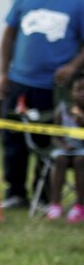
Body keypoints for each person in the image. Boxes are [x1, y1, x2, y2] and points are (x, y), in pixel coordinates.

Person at [0, 0, 84, 211]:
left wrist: (71, 67)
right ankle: (15, 192)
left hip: (54, 88)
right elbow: (9, 35)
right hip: (20, 81)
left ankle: (44, 195)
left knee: (48, 141)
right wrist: (3, 73)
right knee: (14, 139)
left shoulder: (78, 2)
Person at [45, 75, 84, 222]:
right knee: (60, 159)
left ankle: (80, 205)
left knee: (80, 160)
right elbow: (55, 136)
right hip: (65, 149)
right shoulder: (63, 111)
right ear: (71, 93)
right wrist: (64, 145)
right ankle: (55, 204)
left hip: (82, 151)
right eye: (78, 90)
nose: (82, 93)